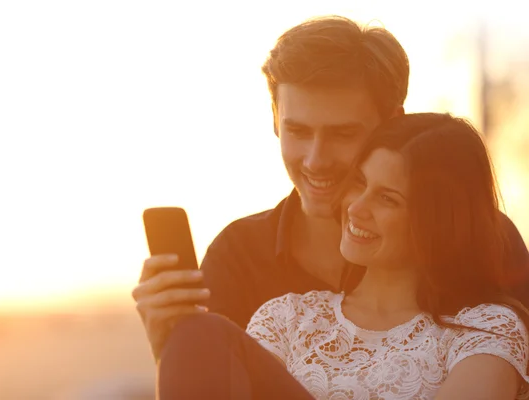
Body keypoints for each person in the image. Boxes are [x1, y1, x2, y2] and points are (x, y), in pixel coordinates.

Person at [132, 15, 529, 361]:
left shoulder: (481, 236)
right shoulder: (238, 256)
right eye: (298, 131)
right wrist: (168, 345)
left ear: (392, 123)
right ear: (275, 119)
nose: (316, 160)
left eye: (342, 134)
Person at [158, 113, 529, 399]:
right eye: (360, 182)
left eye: (387, 198)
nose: (356, 208)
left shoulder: (485, 330)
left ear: (436, 223)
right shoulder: (286, 318)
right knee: (198, 332)